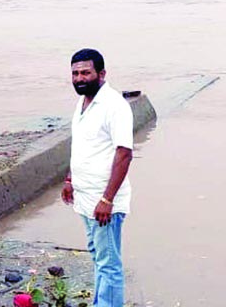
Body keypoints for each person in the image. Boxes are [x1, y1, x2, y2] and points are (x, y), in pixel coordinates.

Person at [61, 48, 134, 307]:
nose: (79, 78)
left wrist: (107, 199)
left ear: (101, 74)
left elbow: (124, 154)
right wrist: (70, 180)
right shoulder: (82, 103)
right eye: (75, 73)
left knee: (109, 263)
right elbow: (81, 146)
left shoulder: (115, 106)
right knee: (98, 256)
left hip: (104, 203)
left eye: (85, 72)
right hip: (85, 196)